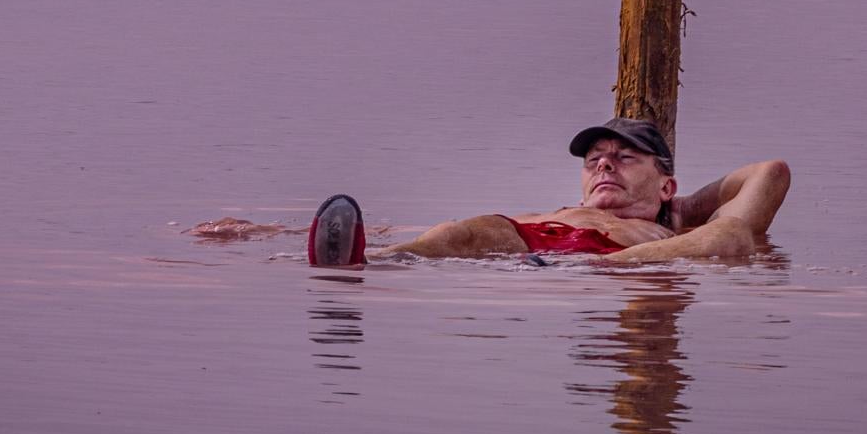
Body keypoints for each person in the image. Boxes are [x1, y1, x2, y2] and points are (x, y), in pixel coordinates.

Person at [307, 118, 790, 266]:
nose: (603, 163)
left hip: (614, 260)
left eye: (624, 158)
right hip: (526, 241)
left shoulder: (663, 223)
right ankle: (370, 260)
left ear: (666, 182)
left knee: (729, 234)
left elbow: (769, 173)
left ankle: (595, 268)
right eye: (594, 160)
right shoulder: (561, 211)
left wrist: (678, 208)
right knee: (471, 230)